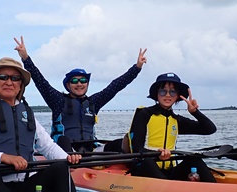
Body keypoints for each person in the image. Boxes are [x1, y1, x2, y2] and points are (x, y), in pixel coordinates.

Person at [0, 57, 99, 192]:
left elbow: (48, 146)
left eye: (15, 78)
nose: (9, 82)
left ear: (21, 85)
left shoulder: (28, 113)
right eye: (2, 77)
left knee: (60, 167)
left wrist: (68, 158)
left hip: (26, 182)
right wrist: (4, 157)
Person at [13, 36, 147, 153]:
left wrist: (137, 68)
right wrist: (25, 58)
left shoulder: (94, 102)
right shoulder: (58, 100)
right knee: (63, 139)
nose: (79, 84)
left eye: (83, 80)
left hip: (91, 150)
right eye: (74, 81)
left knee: (122, 142)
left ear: (87, 84)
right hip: (64, 150)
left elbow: (115, 86)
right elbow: (40, 80)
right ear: (68, 85)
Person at [125, 72, 217, 182]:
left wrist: (195, 112)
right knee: (147, 162)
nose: (168, 95)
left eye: (172, 92)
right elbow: (136, 148)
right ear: (157, 94)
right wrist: (157, 155)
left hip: (169, 171)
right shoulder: (144, 114)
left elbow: (210, 129)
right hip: (145, 168)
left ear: (178, 96)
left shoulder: (176, 120)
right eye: (163, 91)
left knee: (194, 160)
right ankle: (168, 189)